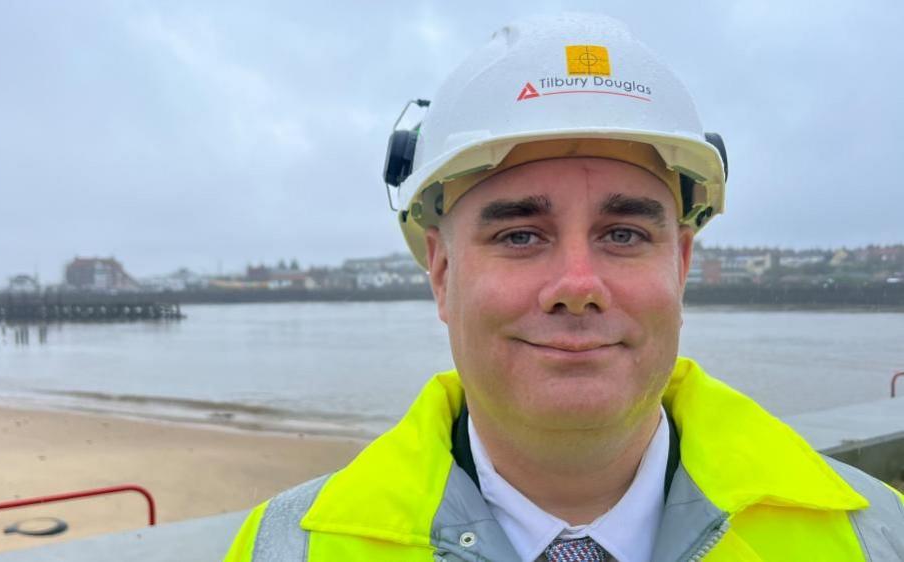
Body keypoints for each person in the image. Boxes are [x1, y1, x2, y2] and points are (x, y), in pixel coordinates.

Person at [225, 13, 904, 561]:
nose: (577, 286)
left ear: (681, 263)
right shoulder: (287, 548)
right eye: (520, 235)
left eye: (623, 234)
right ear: (441, 271)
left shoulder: (875, 537)